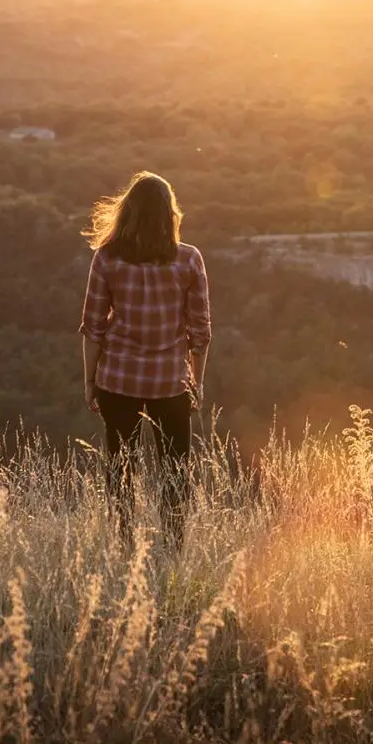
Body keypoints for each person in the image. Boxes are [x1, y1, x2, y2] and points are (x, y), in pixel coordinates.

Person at [78, 172, 211, 540]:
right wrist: (195, 384)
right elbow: (201, 334)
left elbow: (92, 327)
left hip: (118, 381)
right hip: (171, 383)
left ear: (128, 212)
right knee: (175, 472)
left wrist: (90, 381)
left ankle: (123, 547)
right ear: (170, 213)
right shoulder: (189, 260)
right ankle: (173, 547)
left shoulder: (107, 259)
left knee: (121, 470)